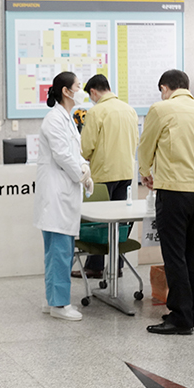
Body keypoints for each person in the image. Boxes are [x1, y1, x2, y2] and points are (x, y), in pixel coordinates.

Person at [138, 69, 194, 336]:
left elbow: (146, 145)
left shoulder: (161, 109)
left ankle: (180, 316)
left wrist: (145, 171)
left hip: (173, 190)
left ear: (164, 87)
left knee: (174, 255)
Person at [35, 71, 94, 321]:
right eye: (78, 87)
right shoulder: (54, 120)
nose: (81, 91)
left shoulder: (66, 119)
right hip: (57, 196)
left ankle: (53, 300)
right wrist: (81, 174)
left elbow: (74, 152)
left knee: (60, 251)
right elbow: (62, 155)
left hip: (64, 193)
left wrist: (84, 168)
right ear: (66, 91)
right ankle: (59, 304)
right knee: (59, 252)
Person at [78, 73, 138, 277]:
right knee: (120, 222)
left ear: (93, 92)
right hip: (126, 172)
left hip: (104, 174)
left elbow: (86, 146)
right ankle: (116, 266)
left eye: (90, 96)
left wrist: (84, 155)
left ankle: (94, 266)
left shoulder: (96, 112)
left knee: (99, 223)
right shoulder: (129, 110)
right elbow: (136, 140)